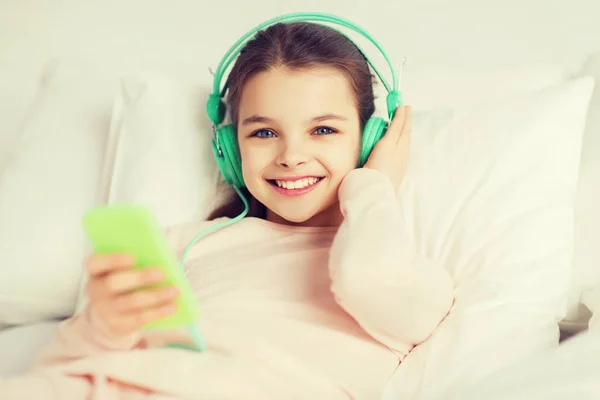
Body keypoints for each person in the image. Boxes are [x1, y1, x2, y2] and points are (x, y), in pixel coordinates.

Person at [1, 18, 454, 399]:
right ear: (229, 149)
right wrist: (105, 325)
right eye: (263, 133)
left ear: (370, 139)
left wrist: (372, 186)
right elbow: (61, 365)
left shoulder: (402, 270)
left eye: (322, 130)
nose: (291, 156)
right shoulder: (186, 242)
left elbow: (367, 281)